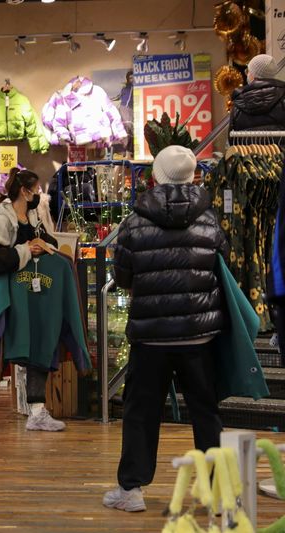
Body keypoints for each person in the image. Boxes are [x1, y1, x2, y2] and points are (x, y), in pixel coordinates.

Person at [103, 145, 228, 513]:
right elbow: (222, 272)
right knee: (206, 412)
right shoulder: (210, 220)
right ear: (194, 176)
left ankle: (132, 490)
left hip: (150, 333)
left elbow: (122, 276)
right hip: (200, 332)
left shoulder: (135, 222)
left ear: (154, 176)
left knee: (141, 410)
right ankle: (219, 492)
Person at [0, 169, 65, 432]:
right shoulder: (3, 219)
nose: (38, 194)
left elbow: (45, 241)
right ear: (24, 191)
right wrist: (25, 250)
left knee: (38, 344)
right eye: (36, 189)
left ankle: (37, 409)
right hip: (7, 294)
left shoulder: (32, 215)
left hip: (32, 293)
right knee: (3, 347)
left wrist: (44, 245)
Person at [229, 54, 285, 134]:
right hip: (280, 146)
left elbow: (231, 137)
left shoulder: (238, 101)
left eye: (248, 71)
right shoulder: (283, 97)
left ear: (253, 74)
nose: (247, 74)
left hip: (247, 146)